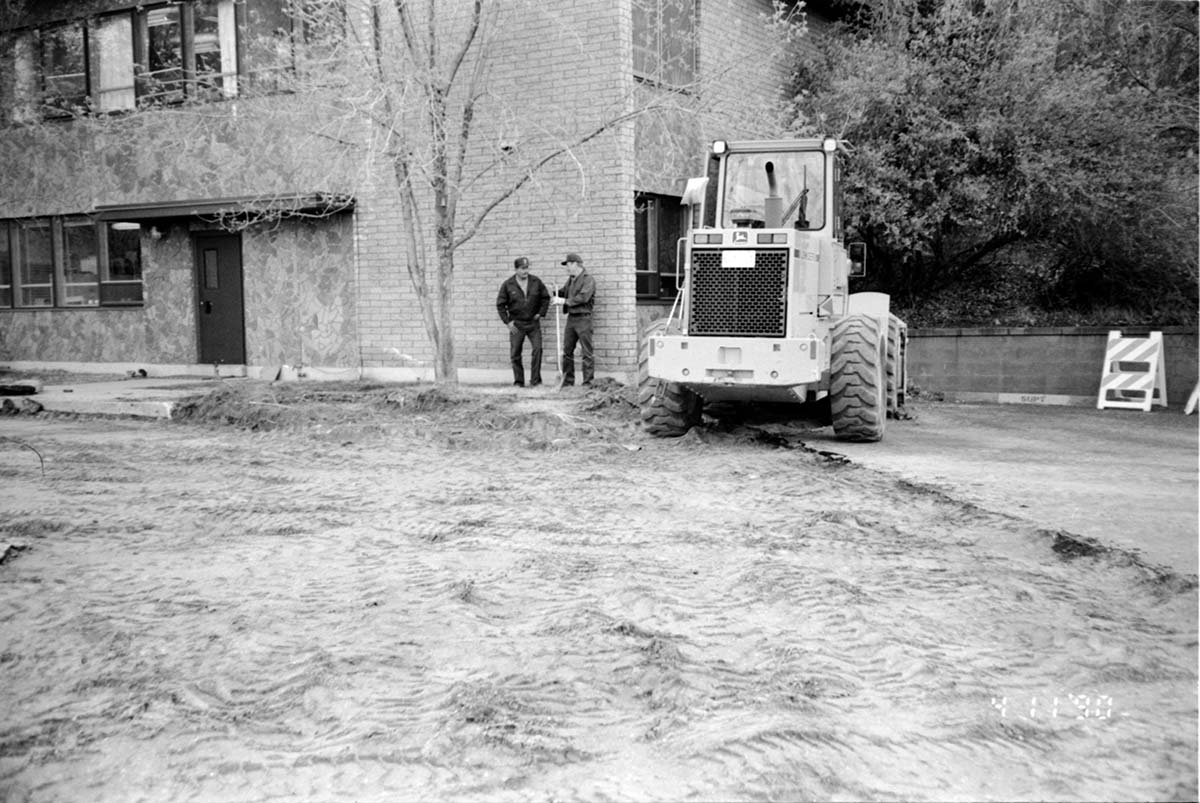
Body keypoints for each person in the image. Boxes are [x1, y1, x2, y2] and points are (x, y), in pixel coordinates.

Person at [496, 256, 551, 387]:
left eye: (527, 268)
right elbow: (500, 304)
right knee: (515, 353)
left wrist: (540, 313)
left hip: (533, 323)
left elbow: (545, 298)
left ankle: (536, 381)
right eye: (522, 269)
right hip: (517, 325)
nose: (525, 271)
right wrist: (508, 322)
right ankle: (519, 382)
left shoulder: (536, 281)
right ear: (516, 269)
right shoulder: (508, 284)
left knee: (537, 350)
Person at [552, 252, 596, 387]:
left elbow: (583, 298)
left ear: (576, 264)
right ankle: (568, 382)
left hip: (584, 319)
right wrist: (554, 291)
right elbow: (564, 292)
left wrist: (563, 301)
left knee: (586, 352)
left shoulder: (588, 279)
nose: (567, 268)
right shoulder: (571, 279)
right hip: (571, 319)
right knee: (567, 351)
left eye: (568, 265)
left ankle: (588, 383)